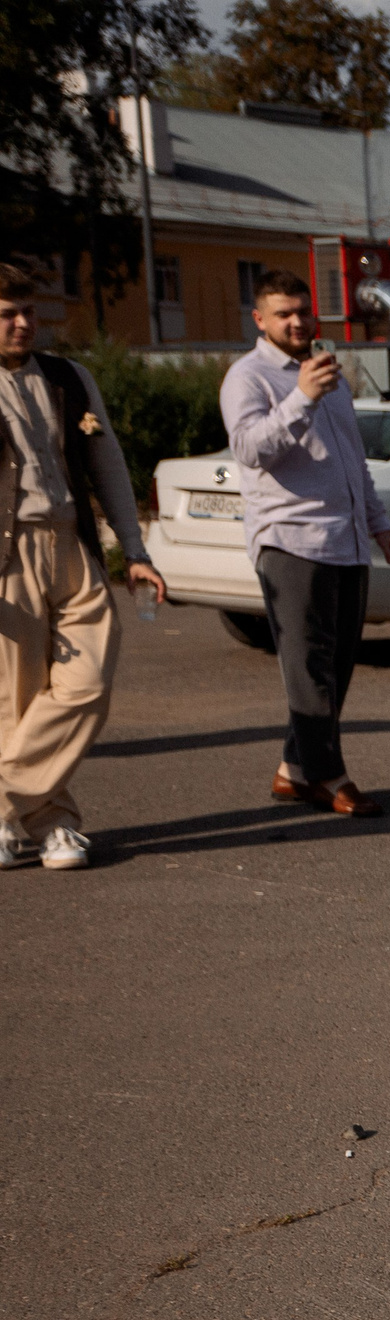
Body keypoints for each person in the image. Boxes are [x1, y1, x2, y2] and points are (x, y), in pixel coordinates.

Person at [220, 269, 390, 818]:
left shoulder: (330, 375)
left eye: (303, 311)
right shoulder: (247, 377)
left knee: (337, 664)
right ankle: (327, 775)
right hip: (291, 539)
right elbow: (250, 450)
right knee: (309, 668)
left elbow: (353, 460)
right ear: (260, 320)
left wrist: (378, 522)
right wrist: (300, 397)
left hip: (346, 540)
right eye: (284, 314)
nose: (297, 322)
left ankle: (294, 769)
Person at [0, 262, 161, 871]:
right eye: (7, 315)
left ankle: (4, 806)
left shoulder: (69, 376)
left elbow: (107, 464)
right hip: (8, 554)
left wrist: (135, 551)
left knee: (86, 684)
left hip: (72, 544)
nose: (23, 324)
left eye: (28, 312)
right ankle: (53, 826)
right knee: (16, 698)